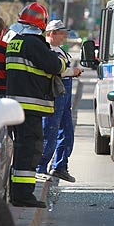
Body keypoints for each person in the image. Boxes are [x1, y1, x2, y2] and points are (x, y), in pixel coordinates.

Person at [6, 3, 67, 208]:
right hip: (29, 106)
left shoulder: (15, 41)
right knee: (30, 150)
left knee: (20, 149)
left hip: (14, 106)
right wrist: (62, 61)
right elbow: (55, 65)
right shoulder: (34, 43)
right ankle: (23, 195)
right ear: (41, 24)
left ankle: (17, 193)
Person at [36, 20, 82, 182]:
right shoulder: (46, 50)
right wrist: (73, 71)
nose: (64, 36)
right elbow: (53, 69)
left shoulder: (60, 50)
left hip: (64, 97)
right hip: (54, 96)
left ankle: (60, 166)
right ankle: (40, 167)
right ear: (51, 33)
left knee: (66, 132)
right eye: (61, 33)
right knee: (50, 131)